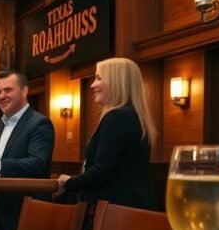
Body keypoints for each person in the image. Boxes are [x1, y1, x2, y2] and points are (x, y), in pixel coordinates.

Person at [56, 57, 157, 210]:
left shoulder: (117, 117)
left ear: (117, 82)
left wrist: (69, 183)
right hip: (131, 208)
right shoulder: (133, 115)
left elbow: (102, 171)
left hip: (115, 213)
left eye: (99, 78)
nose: (93, 85)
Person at [0, 71, 55, 230]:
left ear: (24, 91)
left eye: (8, 90)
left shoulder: (40, 123)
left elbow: (38, 164)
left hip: (26, 213)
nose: (2, 96)